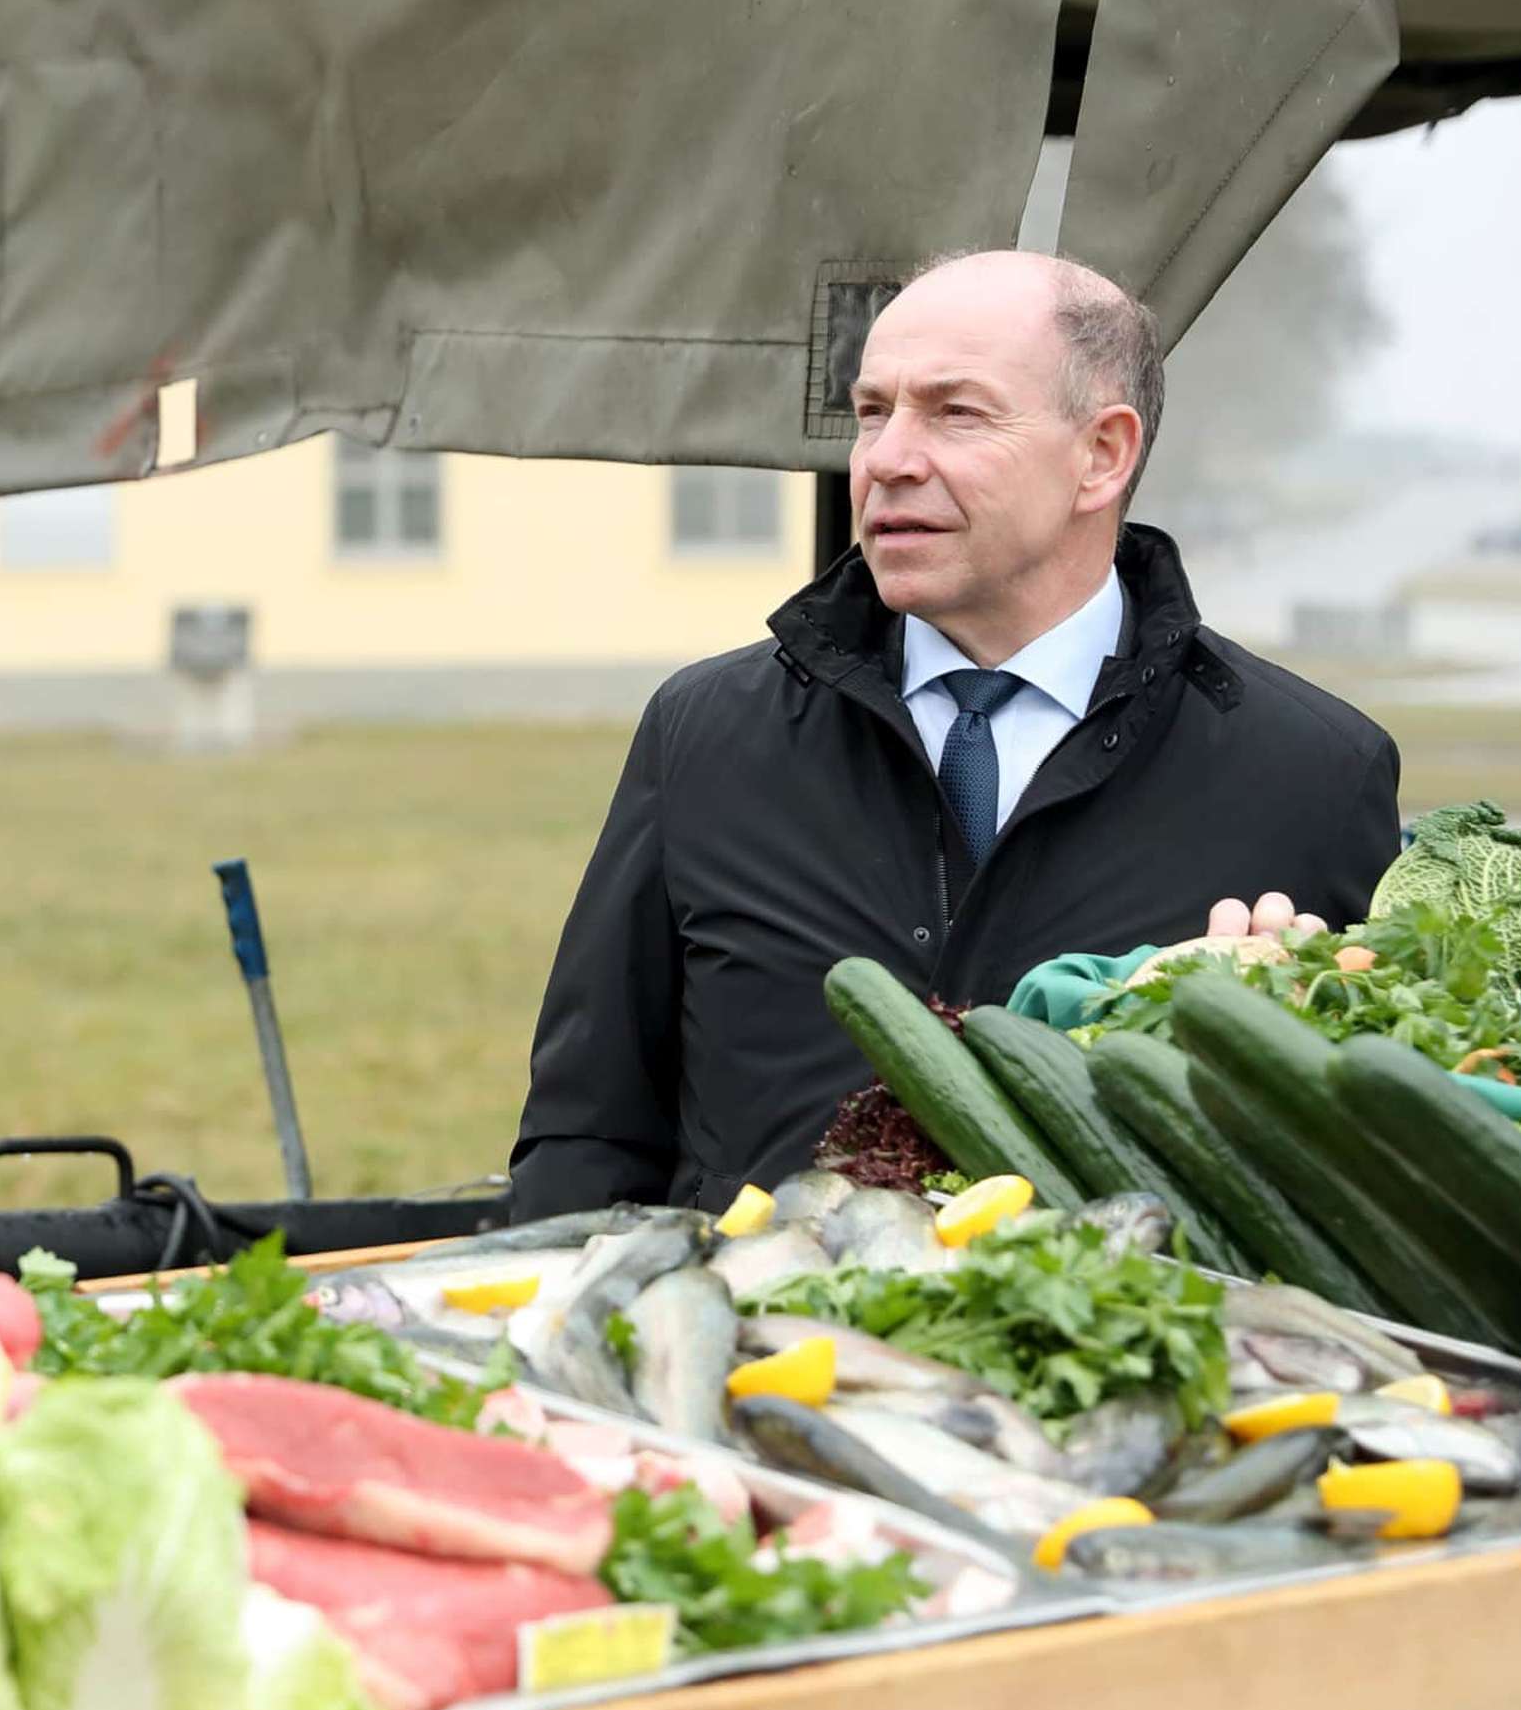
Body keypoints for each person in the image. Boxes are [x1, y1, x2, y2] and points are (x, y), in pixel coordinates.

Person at [507, 249, 1398, 1218]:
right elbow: (586, 1134)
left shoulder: (1313, 776)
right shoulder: (704, 733)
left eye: (955, 413)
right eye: (872, 412)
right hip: (759, 1318)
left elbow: (1370, 1187)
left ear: (1102, 454)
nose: (887, 459)